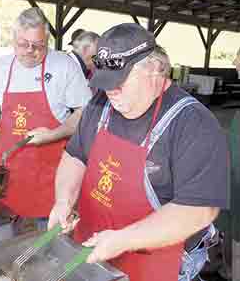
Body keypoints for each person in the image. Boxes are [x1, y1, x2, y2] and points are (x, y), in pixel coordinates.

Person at [48, 23, 228, 281]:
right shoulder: (101, 103)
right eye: (106, 83)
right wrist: (64, 200)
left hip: (158, 263)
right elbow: (75, 155)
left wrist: (123, 239)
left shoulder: (194, 124)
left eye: (120, 81)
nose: (112, 92)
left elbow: (198, 210)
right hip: (95, 245)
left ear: (155, 71)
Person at [0, 7, 91, 226]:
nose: (31, 51)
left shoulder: (64, 65)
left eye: (39, 46)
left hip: (49, 175)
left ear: (47, 40)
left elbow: (85, 113)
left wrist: (54, 134)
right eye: (23, 44)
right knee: (6, 237)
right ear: (13, 40)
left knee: (45, 246)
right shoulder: (2, 66)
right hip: (8, 172)